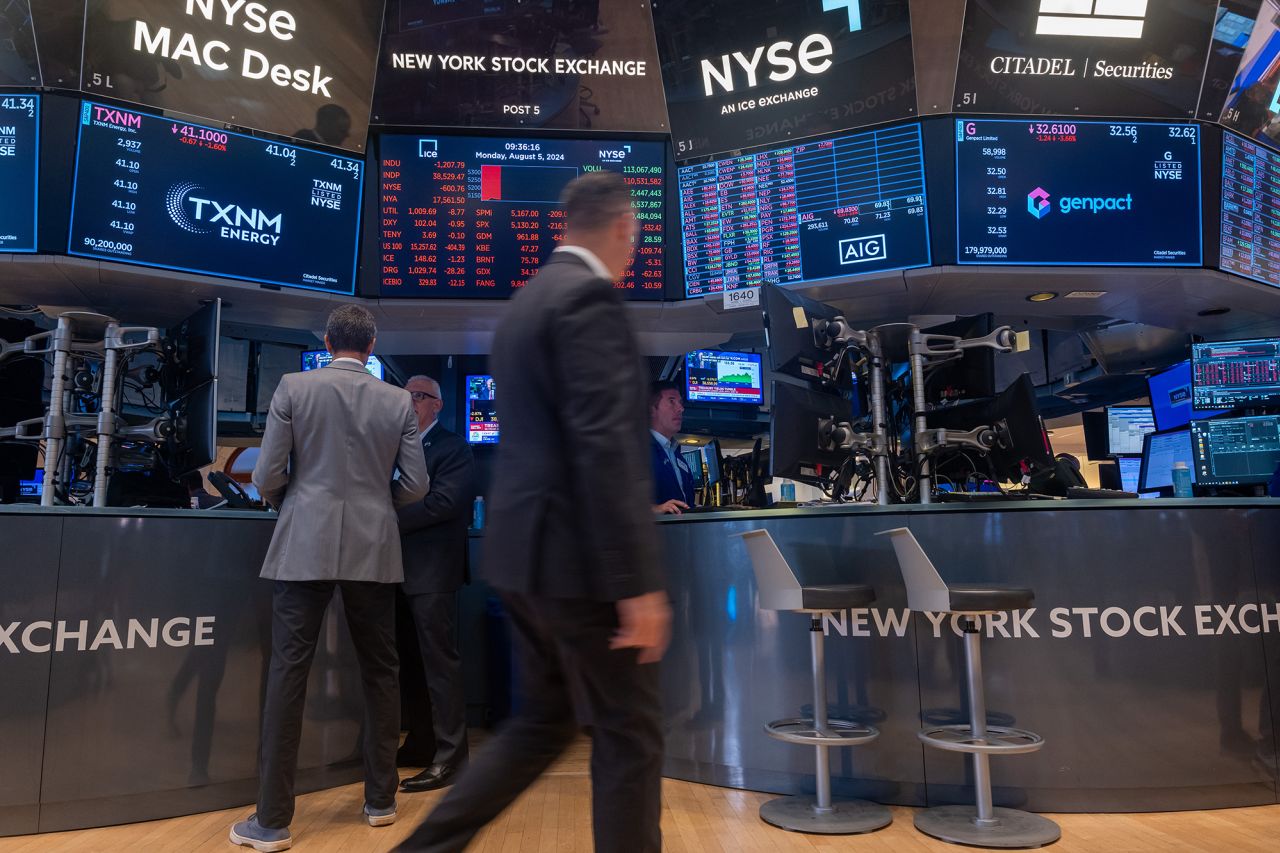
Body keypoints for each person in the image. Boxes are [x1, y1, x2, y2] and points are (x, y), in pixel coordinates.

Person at [396, 172, 671, 853]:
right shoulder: (591, 301)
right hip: (578, 562)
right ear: (618, 229)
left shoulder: (524, 307)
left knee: (541, 725)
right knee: (629, 733)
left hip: (519, 559)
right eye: (632, 235)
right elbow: (605, 446)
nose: (632, 248)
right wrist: (636, 583)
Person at [230, 305, 430, 852]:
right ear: (372, 346)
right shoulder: (397, 401)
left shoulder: (293, 387)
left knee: (288, 674)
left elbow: (268, 473)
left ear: (326, 340)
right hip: (374, 545)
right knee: (381, 673)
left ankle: (271, 822)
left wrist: (291, 502)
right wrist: (373, 506)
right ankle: (381, 801)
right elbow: (415, 485)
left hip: (304, 541)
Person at [396, 375, 478, 793]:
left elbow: (444, 503)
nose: (409, 402)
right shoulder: (394, 444)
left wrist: (386, 518)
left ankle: (451, 758)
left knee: (439, 665)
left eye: (418, 396)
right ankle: (421, 741)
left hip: (431, 572)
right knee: (408, 664)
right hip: (394, 570)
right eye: (405, 395)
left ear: (437, 405)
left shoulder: (453, 447)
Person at [650, 381, 695, 515]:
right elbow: (613, 501)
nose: (681, 408)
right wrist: (655, 509)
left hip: (682, 533)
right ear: (651, 409)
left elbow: (686, 505)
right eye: (671, 401)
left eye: (680, 402)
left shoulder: (676, 453)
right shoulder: (636, 450)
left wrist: (723, 510)